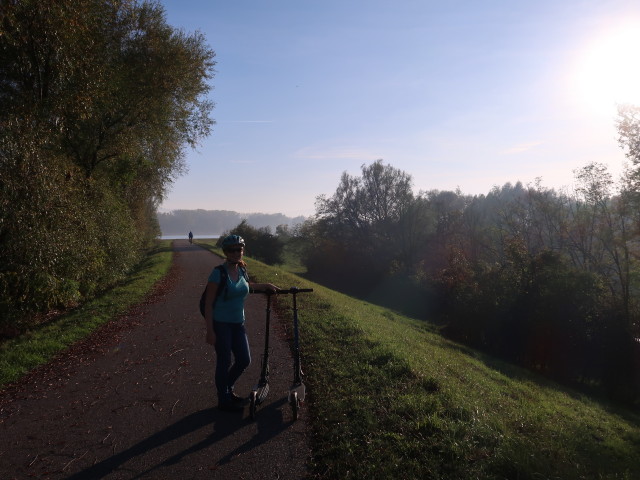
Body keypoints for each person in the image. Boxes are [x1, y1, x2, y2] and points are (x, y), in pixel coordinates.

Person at [202, 234, 278, 411]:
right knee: (224, 360)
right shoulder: (218, 273)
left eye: (240, 249)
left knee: (244, 359)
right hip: (221, 324)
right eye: (232, 250)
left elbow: (246, 286)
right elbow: (208, 304)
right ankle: (224, 398)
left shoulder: (242, 270)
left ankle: (226, 388)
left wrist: (266, 285)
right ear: (226, 252)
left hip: (238, 323)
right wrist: (210, 330)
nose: (237, 253)